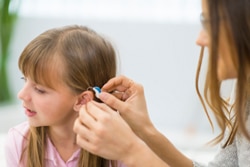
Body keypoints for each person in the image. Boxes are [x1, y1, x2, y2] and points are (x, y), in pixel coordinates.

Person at [73, 0, 250, 166]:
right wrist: (145, 129)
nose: (200, 39)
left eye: (210, 24)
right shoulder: (244, 87)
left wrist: (132, 151)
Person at [4, 25, 125, 167]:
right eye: (24, 80)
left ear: (82, 100)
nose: (22, 95)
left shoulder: (119, 149)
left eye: (39, 90)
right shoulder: (19, 142)